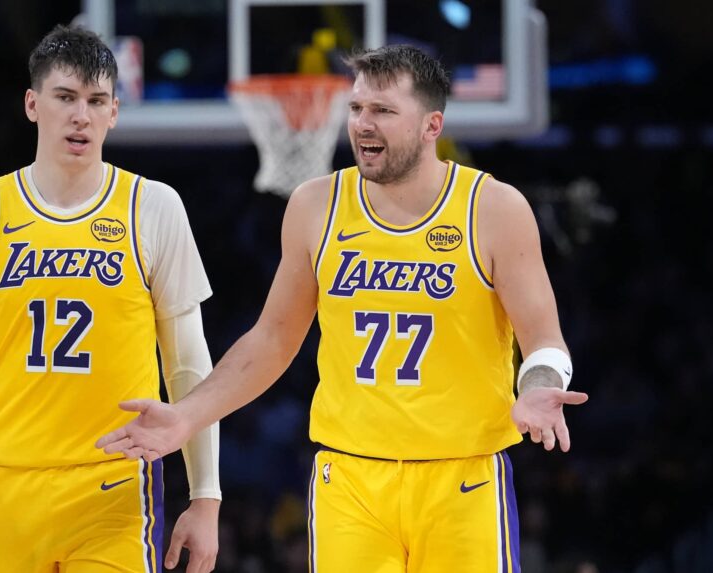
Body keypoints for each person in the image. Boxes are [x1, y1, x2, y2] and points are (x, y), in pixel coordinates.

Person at [99, 45, 588, 572]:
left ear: (432, 125)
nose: (362, 124)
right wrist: (187, 416)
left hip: (462, 479)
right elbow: (273, 340)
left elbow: (544, 339)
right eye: (356, 108)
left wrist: (537, 386)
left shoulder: (493, 209)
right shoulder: (316, 206)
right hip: (351, 482)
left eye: (383, 110)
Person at [0, 25, 221, 572]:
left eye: (96, 101)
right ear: (32, 104)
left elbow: (187, 364)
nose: (81, 115)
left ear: (114, 113)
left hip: (115, 489)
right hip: (4, 482)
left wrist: (206, 496)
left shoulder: (153, 206)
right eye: (65, 98)